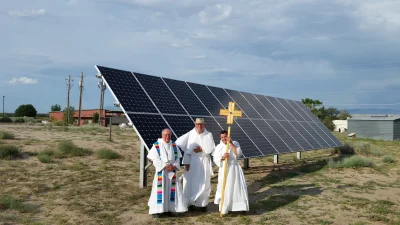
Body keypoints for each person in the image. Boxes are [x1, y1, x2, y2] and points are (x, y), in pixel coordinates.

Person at [175, 118, 215, 211]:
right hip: (192, 161)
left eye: (201, 124)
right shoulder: (191, 134)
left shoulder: (209, 135)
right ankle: (190, 203)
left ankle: (202, 205)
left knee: (203, 182)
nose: (199, 126)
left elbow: (211, 147)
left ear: (204, 125)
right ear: (195, 125)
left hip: (204, 162)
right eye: (197, 124)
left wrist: (202, 149)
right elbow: (186, 149)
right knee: (189, 182)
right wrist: (186, 162)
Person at [147, 128, 187, 217]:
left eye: (169, 135)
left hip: (172, 172)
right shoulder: (156, 145)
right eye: (165, 135)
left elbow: (177, 158)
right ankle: (158, 211)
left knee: (173, 191)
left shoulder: (174, 145)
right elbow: (154, 159)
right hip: (162, 173)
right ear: (162, 135)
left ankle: (171, 209)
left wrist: (173, 166)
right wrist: (165, 166)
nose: (167, 136)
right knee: (160, 192)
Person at [212, 130, 249, 215]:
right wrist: (222, 157)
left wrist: (231, 143)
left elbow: (238, 153)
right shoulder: (218, 147)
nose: (224, 139)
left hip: (234, 169)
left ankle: (240, 207)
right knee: (225, 187)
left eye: (225, 137)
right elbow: (215, 159)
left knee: (236, 187)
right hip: (224, 169)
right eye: (222, 137)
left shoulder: (235, 143)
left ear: (228, 136)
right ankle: (225, 207)